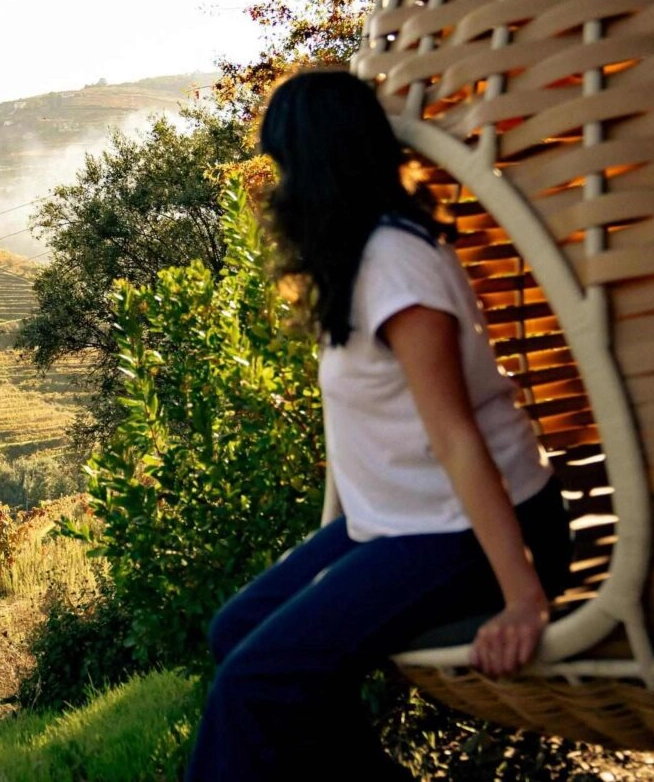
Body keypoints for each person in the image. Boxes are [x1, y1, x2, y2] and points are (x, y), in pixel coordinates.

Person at [183, 69, 574, 780]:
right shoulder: (357, 262)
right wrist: (329, 547)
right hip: (412, 526)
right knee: (236, 632)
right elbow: (361, 434)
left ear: (321, 166)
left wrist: (523, 597)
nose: (277, 187)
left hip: (479, 533)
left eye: (285, 165)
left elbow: (457, 437)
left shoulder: (397, 264)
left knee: (253, 686)